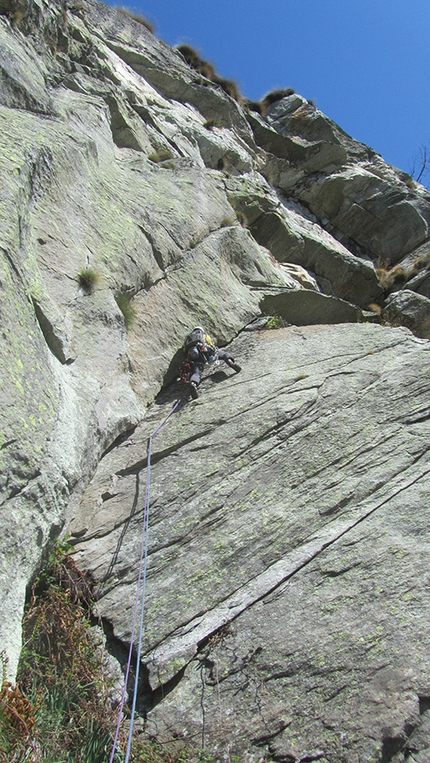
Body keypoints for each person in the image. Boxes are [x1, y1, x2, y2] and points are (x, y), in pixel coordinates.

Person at [181, 326, 241, 399]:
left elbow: (185, 351)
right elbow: (210, 344)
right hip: (207, 353)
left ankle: (193, 383)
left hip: (196, 358)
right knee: (223, 354)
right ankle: (230, 362)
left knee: (197, 372)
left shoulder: (188, 339)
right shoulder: (204, 335)